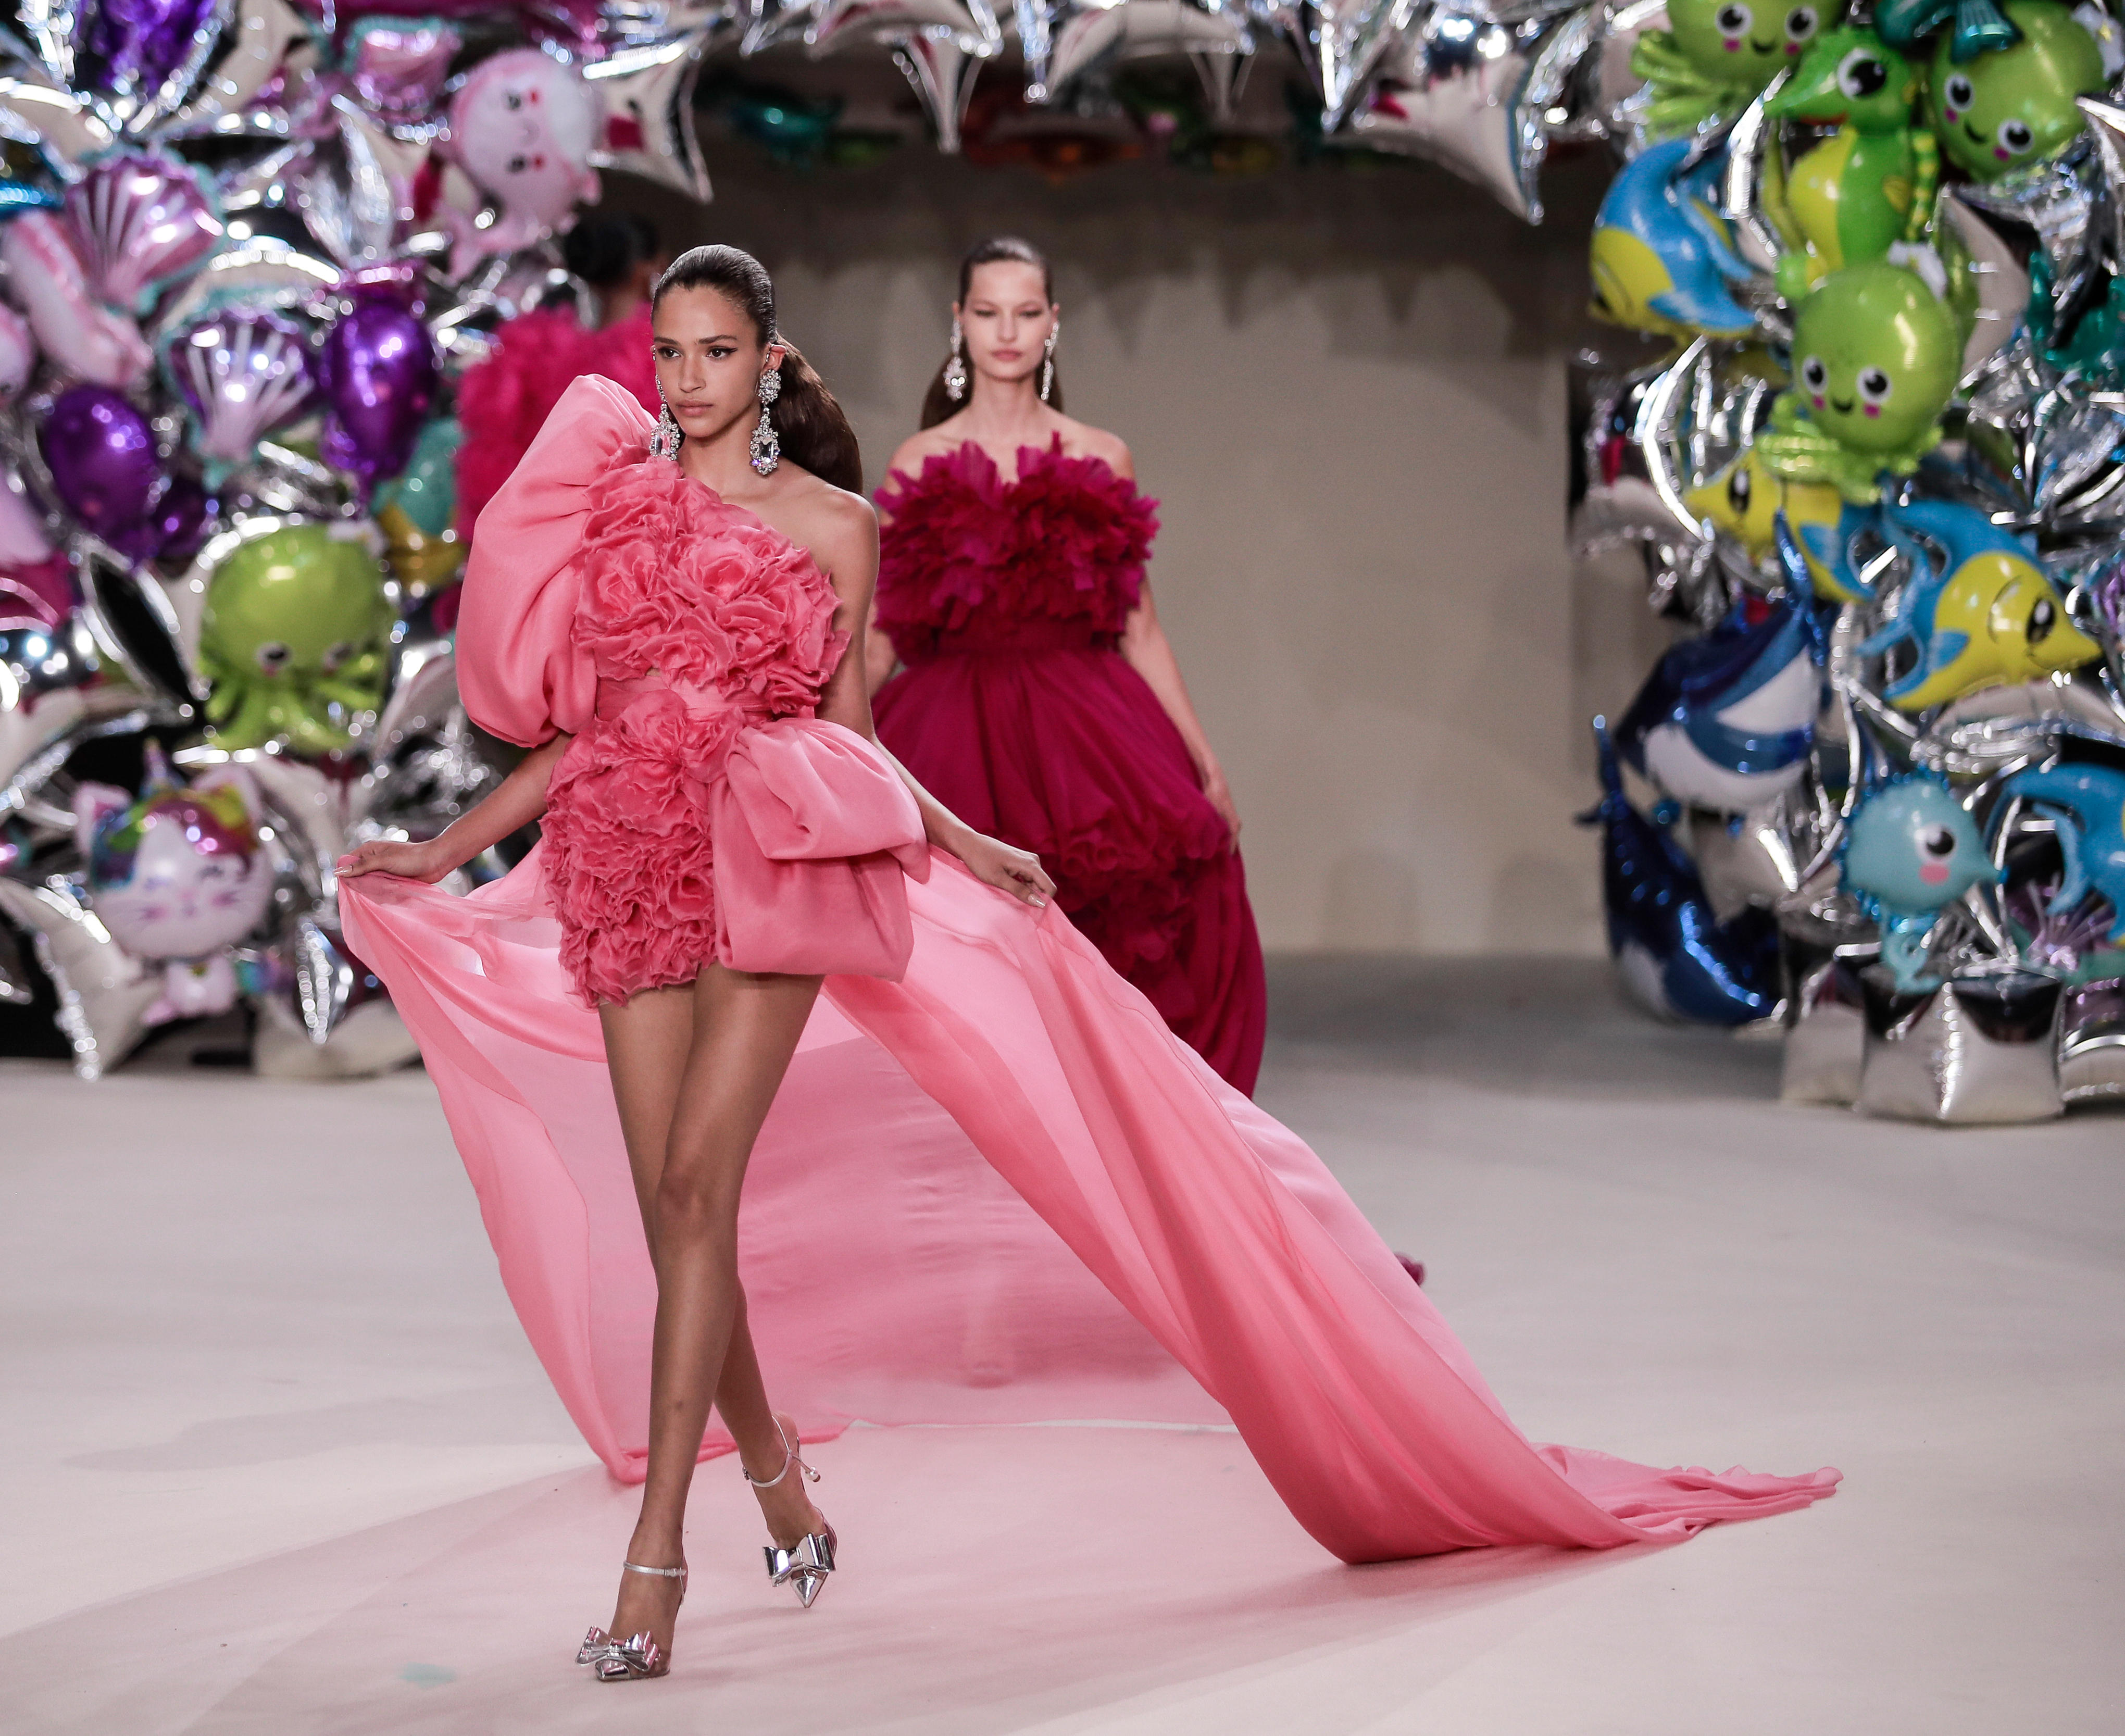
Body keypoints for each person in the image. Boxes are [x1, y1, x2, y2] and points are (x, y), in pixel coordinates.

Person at [335, 246, 1837, 1686]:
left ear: (773, 359)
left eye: (718, 350)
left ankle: (654, 1563)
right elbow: (583, 731)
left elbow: (848, 733)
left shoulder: (841, 524)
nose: (690, 376)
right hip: (624, 851)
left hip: (782, 861)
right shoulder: (623, 506)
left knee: (692, 1194)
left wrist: (968, 842)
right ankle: (781, 1482)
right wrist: (441, 844)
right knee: (681, 1213)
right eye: (668, 351)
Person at [870, 236, 1267, 1092]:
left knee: (1112, 952)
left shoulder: (1099, 455)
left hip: (1089, 743)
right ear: (959, 322)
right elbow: (884, 633)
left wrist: (1204, 763)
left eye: (1024, 312)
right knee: (963, 967)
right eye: (987, 313)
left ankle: (1112, 1179)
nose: (1005, 332)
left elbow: (1140, 627)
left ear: (1053, 322)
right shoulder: (918, 462)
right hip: (952, 735)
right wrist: (811, 731)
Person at [452, 213, 666, 544]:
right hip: (623, 549)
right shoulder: (664, 353)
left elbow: (491, 460)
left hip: (533, 544)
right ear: (649, 269)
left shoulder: (536, 350)